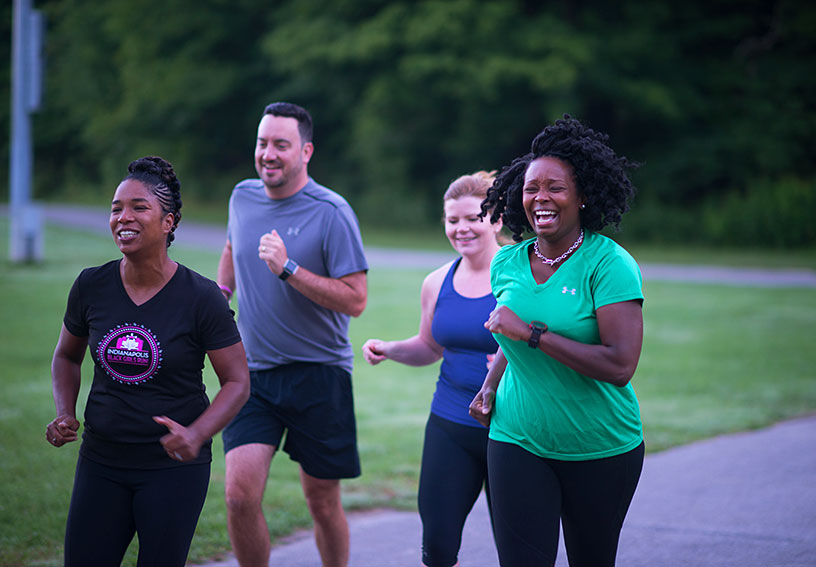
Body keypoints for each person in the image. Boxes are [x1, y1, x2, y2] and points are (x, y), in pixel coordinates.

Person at [45, 156, 251, 567]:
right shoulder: (91, 285)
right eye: (116, 207)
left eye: (139, 207)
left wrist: (196, 434)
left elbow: (237, 381)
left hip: (171, 468)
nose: (124, 216)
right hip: (101, 460)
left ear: (168, 222)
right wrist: (65, 412)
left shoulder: (201, 297)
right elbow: (67, 355)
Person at [469, 114, 645, 567]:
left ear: (583, 196)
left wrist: (532, 335)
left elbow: (620, 365)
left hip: (599, 447)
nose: (540, 198)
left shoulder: (609, 265)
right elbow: (508, 340)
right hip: (517, 439)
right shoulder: (505, 262)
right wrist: (490, 386)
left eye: (555, 188)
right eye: (531, 188)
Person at [217, 101, 368, 567]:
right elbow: (232, 245)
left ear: (305, 151)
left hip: (318, 373)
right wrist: (220, 294)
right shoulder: (241, 196)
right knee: (240, 497)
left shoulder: (331, 211)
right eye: (263, 143)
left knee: (321, 501)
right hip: (252, 375)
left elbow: (355, 299)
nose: (269, 154)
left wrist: (289, 269)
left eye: (281, 145)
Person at [362, 171, 502, 567]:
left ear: (496, 219)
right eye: (452, 220)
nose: (462, 229)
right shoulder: (436, 281)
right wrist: (389, 349)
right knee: (437, 550)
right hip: (450, 426)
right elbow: (430, 346)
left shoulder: (519, 276)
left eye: (473, 218)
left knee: (521, 552)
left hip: (512, 432)